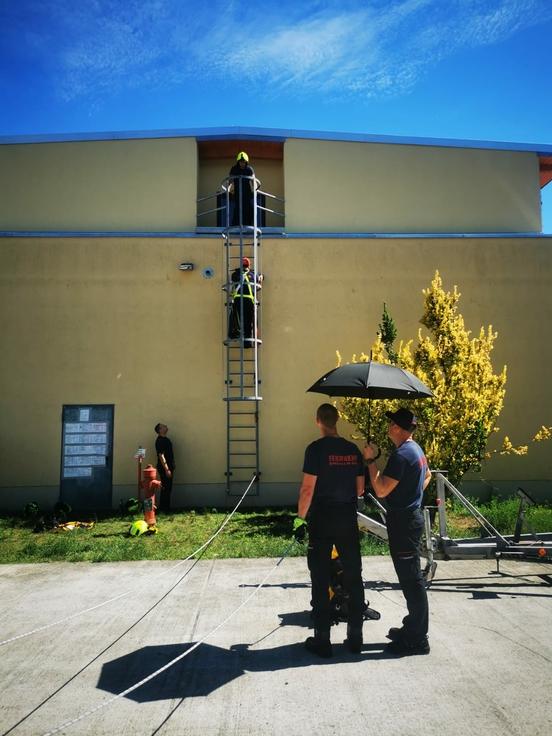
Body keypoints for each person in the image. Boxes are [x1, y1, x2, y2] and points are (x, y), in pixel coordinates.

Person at [296, 403, 366, 658]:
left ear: (318, 421)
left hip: (322, 519)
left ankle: (322, 640)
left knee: (321, 576)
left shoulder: (315, 450)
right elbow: (360, 490)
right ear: (337, 420)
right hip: (347, 518)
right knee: (353, 575)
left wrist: (299, 519)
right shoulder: (353, 450)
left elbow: (307, 489)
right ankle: (356, 637)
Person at [363, 407, 432, 656]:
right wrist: (413, 494)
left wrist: (371, 460)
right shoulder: (416, 450)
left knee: (412, 581)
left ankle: (417, 639)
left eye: (391, 423)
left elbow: (380, 490)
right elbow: (427, 476)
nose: (388, 426)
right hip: (408, 519)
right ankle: (413, 627)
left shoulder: (403, 455)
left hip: (404, 523)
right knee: (409, 578)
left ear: (398, 428)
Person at [228, 256, 263, 346]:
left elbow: (233, 284)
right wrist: (261, 277)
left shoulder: (235, 274)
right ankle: (248, 342)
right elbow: (257, 284)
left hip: (238, 300)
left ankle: (234, 335)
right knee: (250, 321)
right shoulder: (253, 275)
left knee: (236, 320)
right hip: (249, 301)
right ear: (249, 265)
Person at [228, 151, 256, 226]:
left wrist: (256, 189)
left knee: (248, 210)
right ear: (238, 162)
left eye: (243, 162)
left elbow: (253, 180)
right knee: (237, 209)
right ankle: (235, 226)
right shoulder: (234, 169)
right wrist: (228, 188)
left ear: (246, 162)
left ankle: (249, 226)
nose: (242, 163)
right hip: (237, 194)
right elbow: (230, 180)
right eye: (240, 162)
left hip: (247, 194)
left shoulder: (249, 169)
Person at [154, 423, 175, 512]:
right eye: (163, 426)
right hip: (164, 468)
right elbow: (161, 455)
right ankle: (164, 509)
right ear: (160, 430)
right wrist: (166, 469)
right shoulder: (160, 441)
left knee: (167, 487)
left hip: (169, 467)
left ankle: (165, 508)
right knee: (166, 488)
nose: (166, 426)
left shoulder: (166, 439)